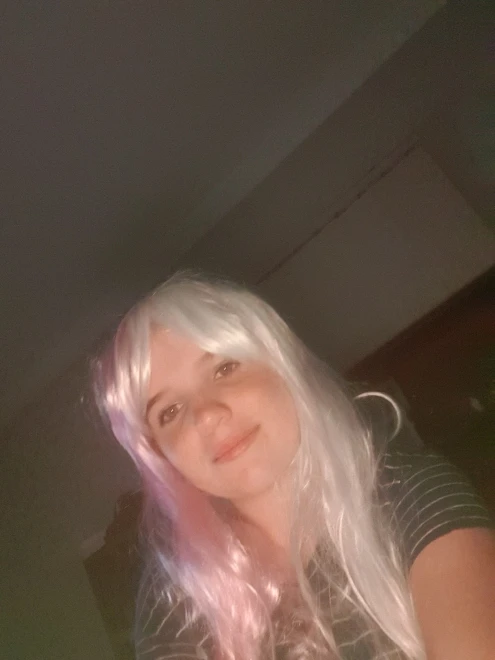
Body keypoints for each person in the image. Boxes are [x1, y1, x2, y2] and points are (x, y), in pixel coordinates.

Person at [93, 272, 495, 660]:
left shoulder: (413, 496)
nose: (206, 415)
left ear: (281, 365)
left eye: (224, 368)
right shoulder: (177, 600)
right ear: (164, 458)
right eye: (169, 411)